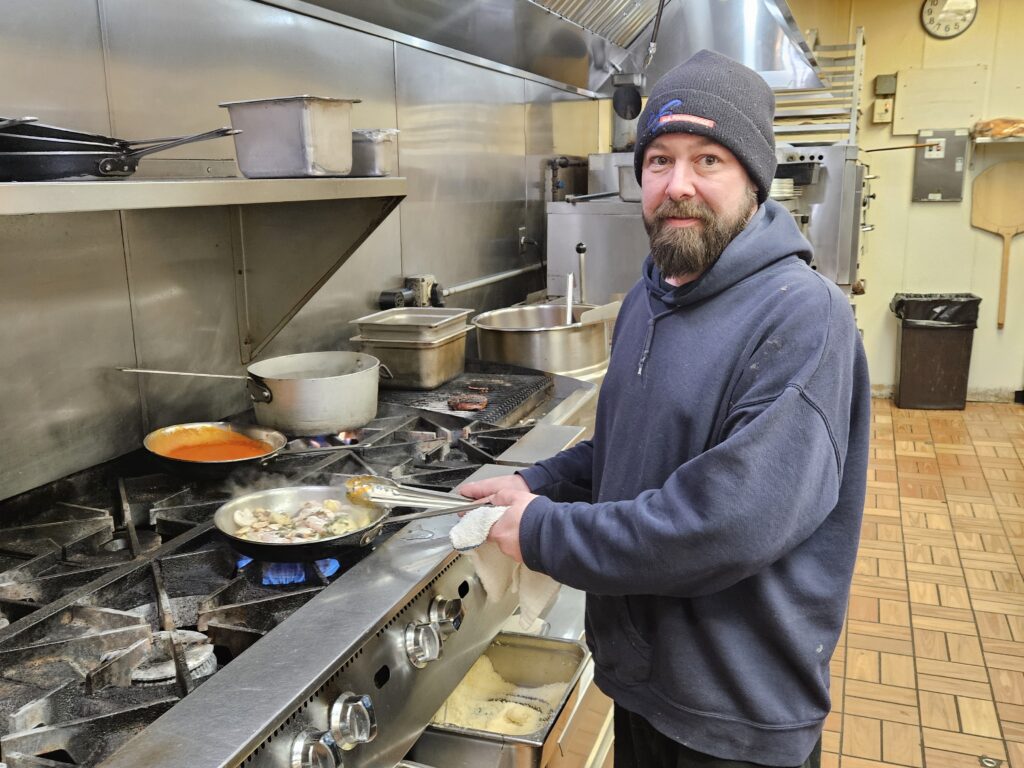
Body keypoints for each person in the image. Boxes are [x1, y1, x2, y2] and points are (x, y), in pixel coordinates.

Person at [459, 49, 871, 768]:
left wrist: (547, 532)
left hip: (734, 717)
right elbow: (628, 445)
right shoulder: (652, 296)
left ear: (754, 177)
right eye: (659, 161)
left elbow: (725, 524)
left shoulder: (806, 319)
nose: (678, 185)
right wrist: (543, 483)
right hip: (645, 685)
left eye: (708, 160)